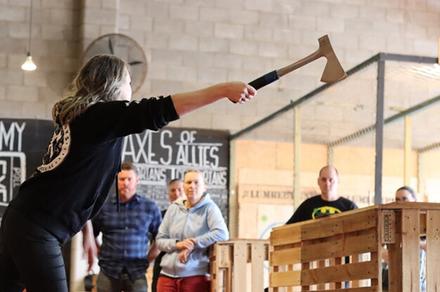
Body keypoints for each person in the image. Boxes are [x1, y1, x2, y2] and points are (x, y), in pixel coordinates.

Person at [0, 54, 256, 292]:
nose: (131, 90)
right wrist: (223, 90)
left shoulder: (86, 119)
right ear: (112, 84)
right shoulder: (98, 116)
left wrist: (85, 232)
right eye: (129, 81)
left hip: (24, 218)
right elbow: (159, 110)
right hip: (38, 228)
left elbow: (71, 186)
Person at [90, 161, 162, 292]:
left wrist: (148, 258)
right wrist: (98, 253)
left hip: (137, 271)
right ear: (116, 181)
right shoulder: (103, 207)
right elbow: (90, 235)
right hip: (108, 270)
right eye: (122, 179)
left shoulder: (150, 207)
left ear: (137, 181)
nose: (126, 183)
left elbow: (160, 237)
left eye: (129, 179)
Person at [156, 169, 228, 292]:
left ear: (204, 187)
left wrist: (193, 243)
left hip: (194, 278)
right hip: (166, 277)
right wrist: (177, 244)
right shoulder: (173, 208)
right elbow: (160, 240)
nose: (192, 186)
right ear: (183, 186)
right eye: (188, 182)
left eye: (196, 182)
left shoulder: (210, 208)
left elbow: (222, 233)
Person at [382, 186, 426, 292]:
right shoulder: (391, 222)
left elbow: (430, 246)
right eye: (397, 200)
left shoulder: (425, 220)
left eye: (404, 198)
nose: (400, 202)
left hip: (420, 279)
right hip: (395, 276)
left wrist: (409, 242)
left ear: (414, 200)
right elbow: (382, 250)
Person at [286, 165, 358, 224]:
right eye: (323, 180)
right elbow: (287, 228)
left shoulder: (349, 208)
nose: (327, 183)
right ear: (318, 181)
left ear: (338, 181)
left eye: (331, 180)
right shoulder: (307, 206)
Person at [151, 179, 185, 292]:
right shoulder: (160, 216)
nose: (176, 193)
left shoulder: (195, 214)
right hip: (162, 267)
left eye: (180, 190)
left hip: (187, 268)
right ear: (168, 194)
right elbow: (153, 241)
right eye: (173, 190)